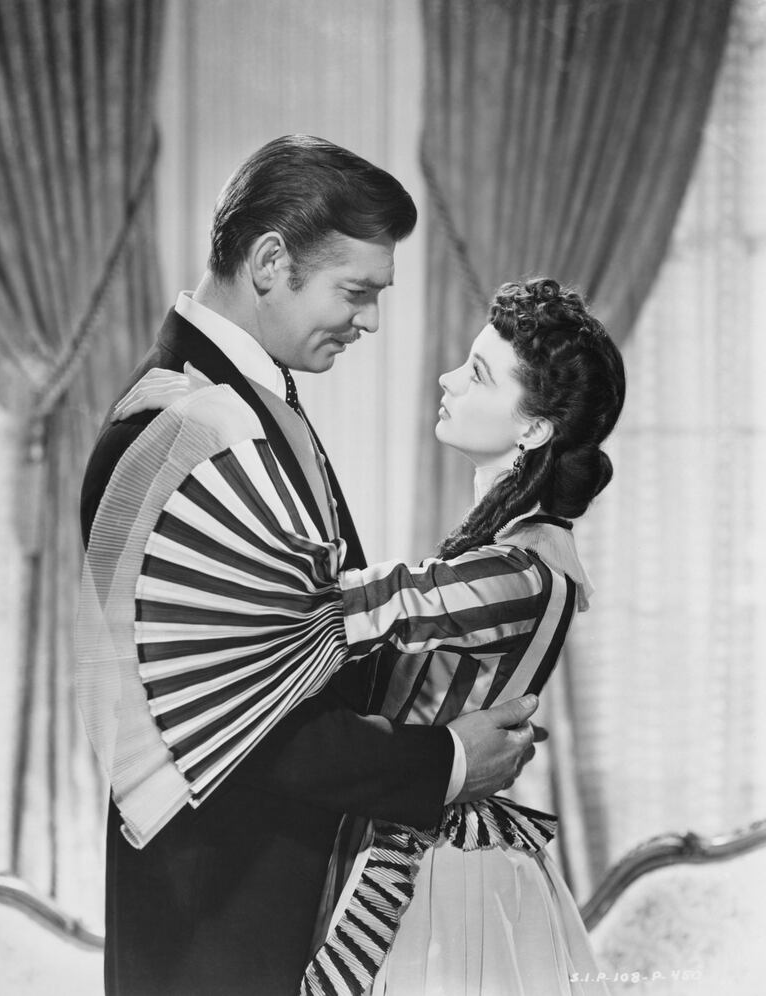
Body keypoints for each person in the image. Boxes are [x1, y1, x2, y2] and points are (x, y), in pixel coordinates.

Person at [78, 135, 542, 996]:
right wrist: (442, 761)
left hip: (267, 917)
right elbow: (261, 734)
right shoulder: (178, 428)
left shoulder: (246, 403)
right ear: (269, 261)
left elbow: (296, 655)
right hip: (217, 938)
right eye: (355, 292)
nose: (369, 321)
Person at [112, 277, 625, 996]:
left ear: (533, 428)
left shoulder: (521, 571)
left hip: (431, 875)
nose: (449, 379)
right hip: (409, 839)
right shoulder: (526, 553)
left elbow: (341, 605)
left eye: (477, 374)